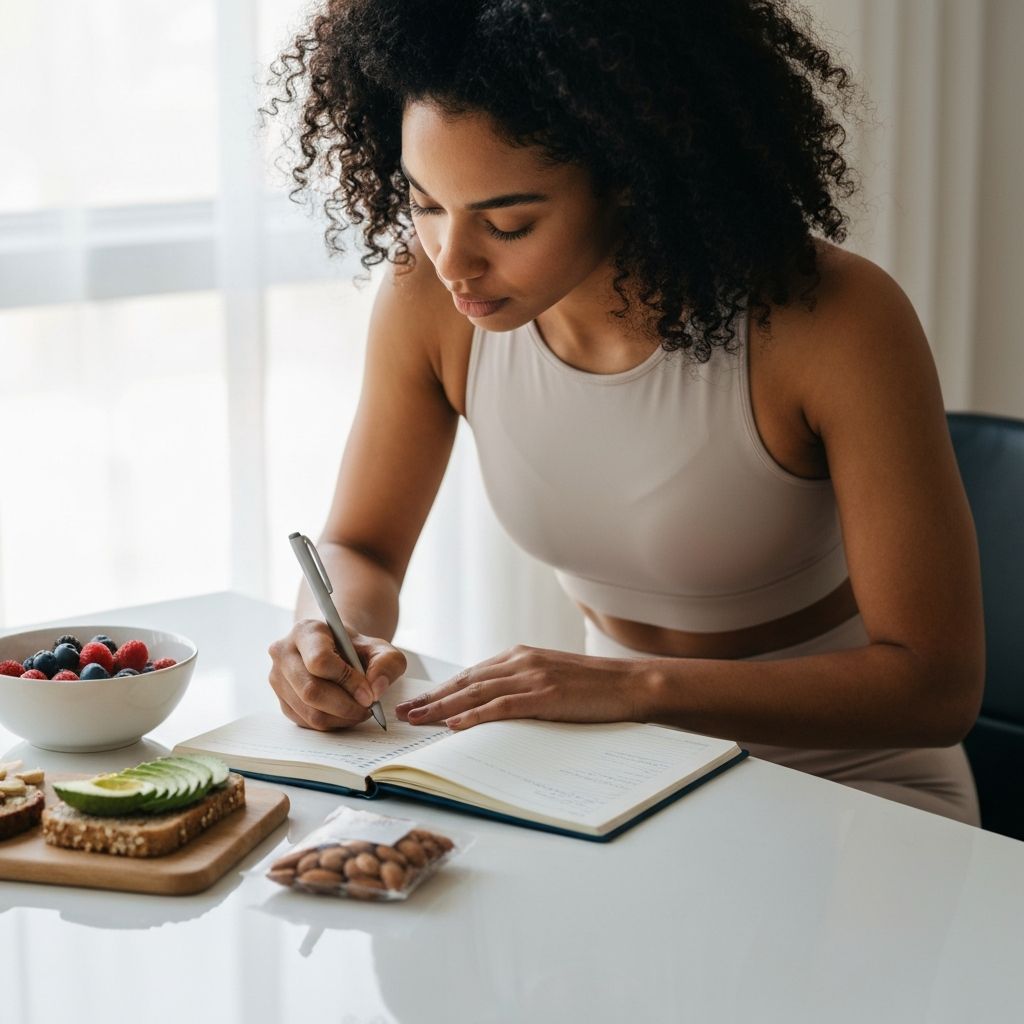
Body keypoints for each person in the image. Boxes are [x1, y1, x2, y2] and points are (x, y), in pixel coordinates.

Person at [263, 0, 984, 825]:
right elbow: (361, 547)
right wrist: (330, 636)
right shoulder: (428, 305)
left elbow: (935, 687)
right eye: (426, 204)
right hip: (622, 777)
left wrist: (635, 688)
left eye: (507, 222)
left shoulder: (832, 321)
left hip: (857, 788)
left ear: (631, 180)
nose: (451, 259)